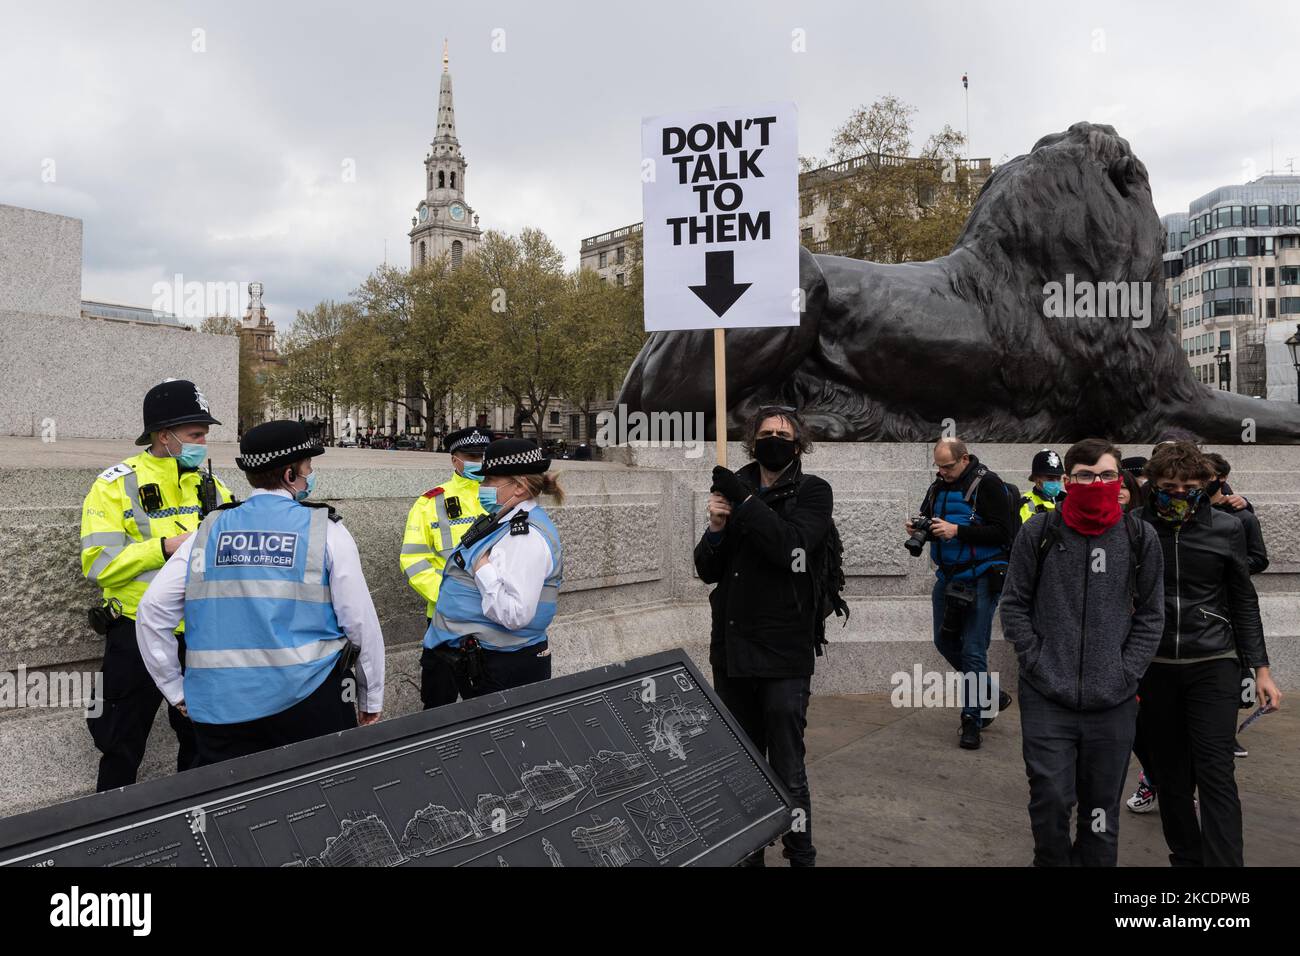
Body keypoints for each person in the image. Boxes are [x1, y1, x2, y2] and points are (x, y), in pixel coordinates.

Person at [135, 420, 385, 766]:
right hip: (309, 701)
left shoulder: (207, 532)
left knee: (229, 811)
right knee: (318, 802)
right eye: (307, 466)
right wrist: (370, 697)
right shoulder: (325, 531)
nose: (310, 473)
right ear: (289, 475)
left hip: (220, 709)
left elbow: (152, 611)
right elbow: (359, 623)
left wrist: (176, 691)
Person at [998, 438, 1164, 865]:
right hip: (1047, 694)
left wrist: (1125, 672)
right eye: (1087, 476)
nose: (1098, 483)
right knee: (1050, 800)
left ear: (1119, 479)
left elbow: (1151, 614)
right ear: (1069, 481)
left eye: (1108, 475)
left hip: (1113, 699)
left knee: (1100, 812)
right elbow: (1013, 603)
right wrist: (1035, 658)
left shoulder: (1139, 535)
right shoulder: (1039, 530)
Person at [695, 406, 832, 867]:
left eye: (784, 433)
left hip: (785, 652)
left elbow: (790, 549)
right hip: (733, 650)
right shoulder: (735, 488)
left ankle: (800, 853)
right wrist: (715, 529)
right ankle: (748, 853)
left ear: (798, 443)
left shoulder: (812, 491)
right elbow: (707, 570)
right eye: (766, 433)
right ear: (753, 441)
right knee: (741, 765)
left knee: (788, 768)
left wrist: (745, 504)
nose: (775, 439)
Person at [80, 379, 232, 790]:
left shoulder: (212, 485)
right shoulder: (115, 484)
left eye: (205, 434)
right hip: (135, 632)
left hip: (199, 632)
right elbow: (98, 563)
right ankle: (109, 831)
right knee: (120, 742)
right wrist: (165, 547)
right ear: (164, 436)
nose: (204, 442)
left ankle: (193, 818)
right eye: (196, 434)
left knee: (201, 739)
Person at [1136, 441, 1283, 866]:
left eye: (1189, 487)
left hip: (1213, 662)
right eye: (1169, 486)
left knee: (1216, 770)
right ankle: (1186, 857)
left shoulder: (1227, 527)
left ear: (1205, 486)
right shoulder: (1134, 527)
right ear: (1153, 485)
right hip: (1154, 666)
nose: (1179, 494)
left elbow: (1243, 599)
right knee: (1170, 776)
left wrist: (1262, 670)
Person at [422, 438, 564, 701]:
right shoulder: (506, 519)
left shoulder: (524, 536)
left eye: (489, 481)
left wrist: (481, 566)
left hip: (504, 666)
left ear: (519, 487)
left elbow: (514, 615)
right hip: (487, 660)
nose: (482, 487)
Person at [908, 437, 1015, 749]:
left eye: (948, 466)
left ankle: (973, 719)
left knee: (972, 648)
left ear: (965, 459)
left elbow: (1003, 532)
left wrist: (958, 531)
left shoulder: (990, 485)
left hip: (982, 575)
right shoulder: (938, 486)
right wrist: (919, 529)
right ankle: (992, 695)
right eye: (939, 466)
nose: (942, 472)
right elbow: (929, 518)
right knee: (944, 640)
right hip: (949, 576)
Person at [405, 427, 491, 709]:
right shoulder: (431, 502)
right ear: (455, 459)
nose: (479, 461)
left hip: (494, 617)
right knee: (438, 704)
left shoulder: (502, 495)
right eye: (471, 456)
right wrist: (449, 598)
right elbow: (413, 559)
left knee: (488, 707)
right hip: (446, 619)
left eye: (483, 455)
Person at [1018, 449, 1065, 523]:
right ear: (1036, 479)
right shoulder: (1028, 505)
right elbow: (1028, 532)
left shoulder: (1065, 499)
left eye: (1058, 478)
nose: (1056, 483)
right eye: (1050, 479)